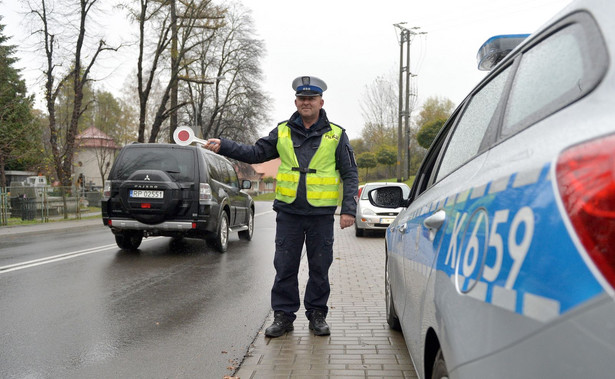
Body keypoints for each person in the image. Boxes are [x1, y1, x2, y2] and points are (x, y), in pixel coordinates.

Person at [203, 75, 359, 337]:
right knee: (285, 267)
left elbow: (350, 174)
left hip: (321, 215)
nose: (306, 102)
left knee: (320, 268)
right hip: (289, 213)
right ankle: (283, 317)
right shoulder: (283, 131)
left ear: (321, 101)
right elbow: (255, 153)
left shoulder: (336, 135)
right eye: (301, 98)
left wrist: (348, 210)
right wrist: (224, 145)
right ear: (296, 101)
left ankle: (317, 315)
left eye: (311, 98)